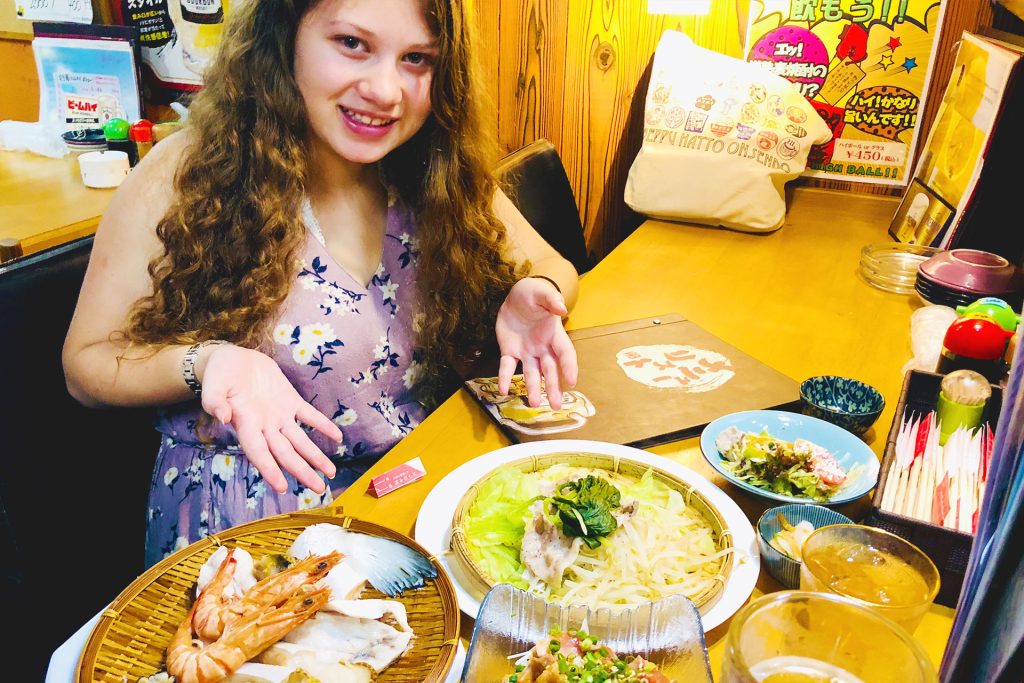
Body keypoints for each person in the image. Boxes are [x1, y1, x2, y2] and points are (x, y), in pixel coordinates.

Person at [62, 0, 579, 568]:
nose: (386, 91)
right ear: (285, 36)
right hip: (249, 537)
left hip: (405, 496)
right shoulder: (185, 172)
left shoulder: (429, 166)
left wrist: (529, 297)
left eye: (416, 58)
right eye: (352, 44)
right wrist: (207, 363)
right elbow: (87, 367)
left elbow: (557, 270)